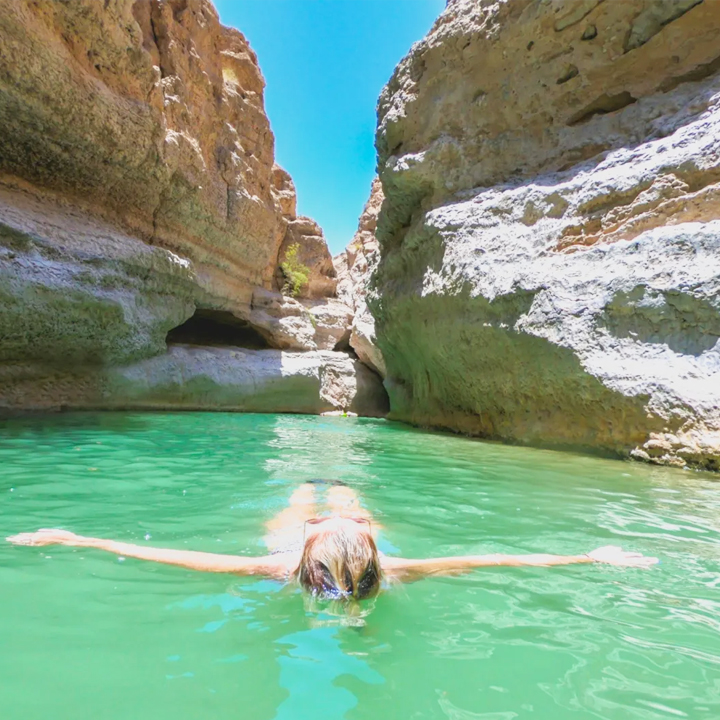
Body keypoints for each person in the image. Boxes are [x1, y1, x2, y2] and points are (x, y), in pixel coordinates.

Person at [6, 481, 658, 600]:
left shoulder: (280, 560)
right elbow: (496, 558)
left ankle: (310, 487)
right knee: (345, 496)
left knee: (295, 500)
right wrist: (587, 556)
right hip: (337, 550)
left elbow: (173, 556)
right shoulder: (397, 569)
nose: (334, 523)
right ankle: (339, 483)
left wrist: (77, 535)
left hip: (307, 543)